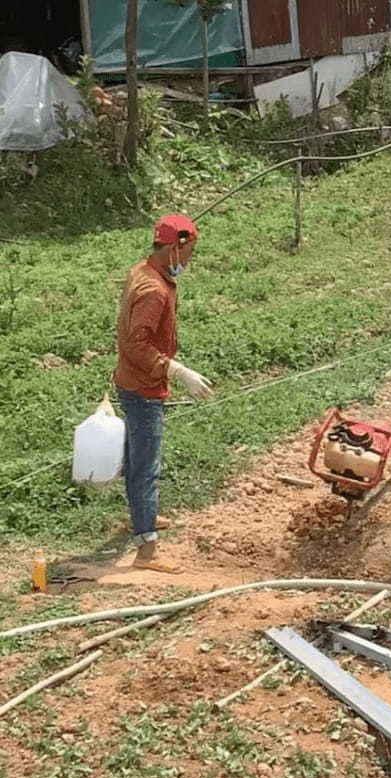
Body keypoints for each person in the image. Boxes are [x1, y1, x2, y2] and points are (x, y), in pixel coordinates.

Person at [114, 214, 213, 573]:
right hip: (143, 387)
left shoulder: (144, 271)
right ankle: (147, 550)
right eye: (189, 253)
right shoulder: (154, 290)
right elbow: (136, 343)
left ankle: (144, 516)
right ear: (175, 247)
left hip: (133, 381)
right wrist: (176, 369)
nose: (190, 260)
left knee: (137, 456)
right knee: (145, 466)